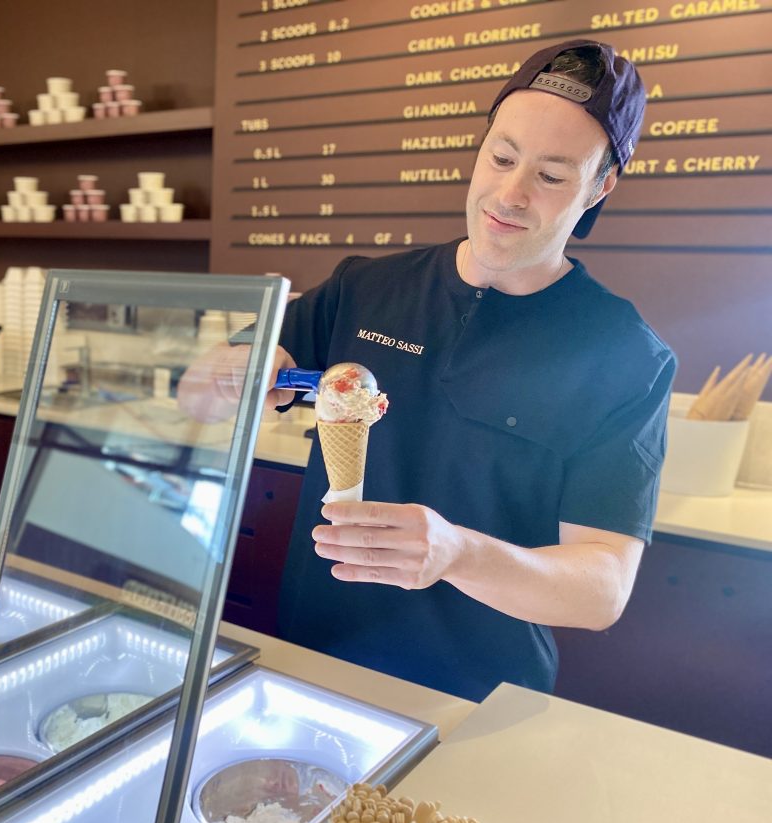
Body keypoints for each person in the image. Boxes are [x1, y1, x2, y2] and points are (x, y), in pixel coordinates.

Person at [184, 40, 676, 702]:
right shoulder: (364, 288)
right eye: (501, 157)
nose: (510, 193)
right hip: (313, 663)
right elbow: (197, 395)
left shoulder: (626, 357)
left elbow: (603, 589)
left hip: (480, 695)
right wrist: (232, 374)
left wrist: (458, 553)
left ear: (600, 187)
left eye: (552, 176)